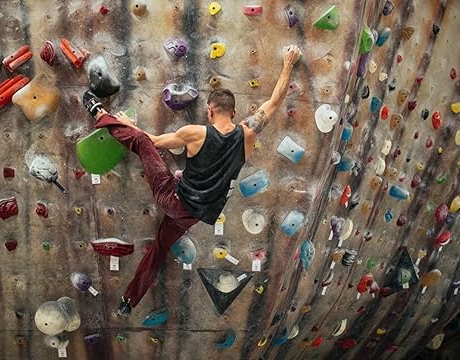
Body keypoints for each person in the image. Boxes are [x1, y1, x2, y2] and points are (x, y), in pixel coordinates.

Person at [82, 44, 301, 317]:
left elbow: (153, 142)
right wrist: (288, 63)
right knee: (160, 248)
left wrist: (128, 124)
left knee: (138, 140)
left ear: (210, 111)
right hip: (196, 214)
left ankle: (97, 112)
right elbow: (274, 102)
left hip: (173, 198)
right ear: (233, 112)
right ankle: (128, 301)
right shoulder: (248, 134)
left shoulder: (195, 133)